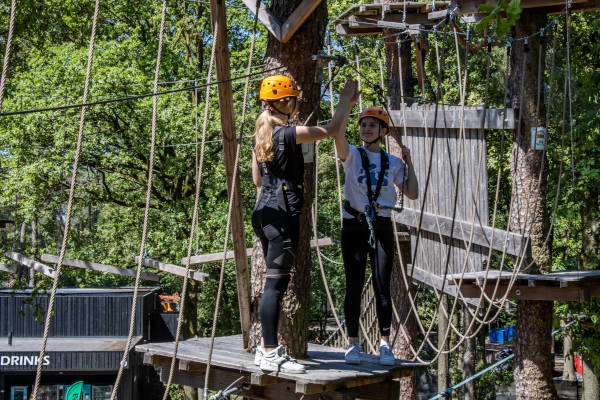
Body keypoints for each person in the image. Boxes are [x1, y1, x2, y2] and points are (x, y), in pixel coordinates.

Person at [252, 75, 359, 373]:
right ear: (285, 103)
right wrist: (345, 101)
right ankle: (270, 352)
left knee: (275, 282)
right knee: (275, 285)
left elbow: (257, 180)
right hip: (282, 212)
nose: (296, 106)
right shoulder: (286, 133)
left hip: (264, 212)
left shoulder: (260, 136)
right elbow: (333, 129)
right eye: (294, 101)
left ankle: (265, 348)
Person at [334, 106, 418, 366]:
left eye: (372, 125)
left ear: (383, 131)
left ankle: (384, 343)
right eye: (363, 125)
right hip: (354, 225)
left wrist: (409, 162)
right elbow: (337, 135)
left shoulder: (392, 163)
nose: (366, 129)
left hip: (381, 224)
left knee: (382, 285)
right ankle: (352, 343)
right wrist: (346, 103)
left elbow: (412, 193)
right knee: (354, 285)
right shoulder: (352, 155)